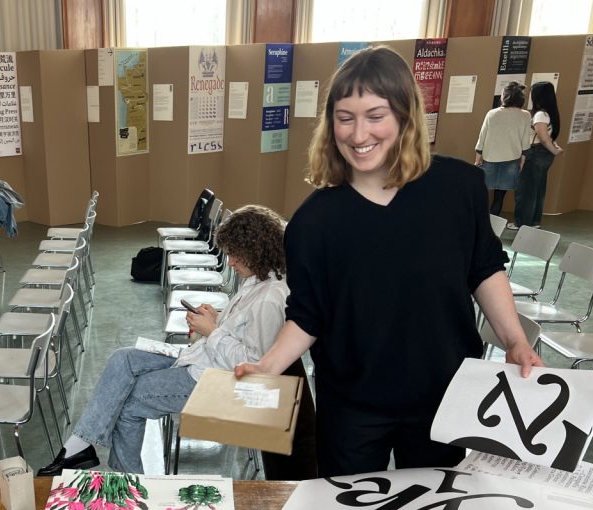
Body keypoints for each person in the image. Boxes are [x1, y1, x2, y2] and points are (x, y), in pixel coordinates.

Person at [235, 46, 542, 479]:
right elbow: (308, 314)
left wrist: (514, 341)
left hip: (445, 392)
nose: (359, 133)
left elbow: (484, 268)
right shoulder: (314, 221)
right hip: (352, 405)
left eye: (375, 116)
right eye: (345, 118)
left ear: (404, 115)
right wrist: (266, 367)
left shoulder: (459, 188)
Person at [37, 205, 291, 476]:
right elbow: (242, 332)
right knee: (123, 358)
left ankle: (129, 481)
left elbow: (255, 366)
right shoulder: (256, 278)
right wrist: (216, 321)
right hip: (204, 358)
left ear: (256, 250)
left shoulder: (269, 297)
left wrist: (212, 332)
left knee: (129, 403)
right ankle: (79, 446)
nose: (230, 262)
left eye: (235, 255)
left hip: (220, 381)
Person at [512, 81, 564, 229]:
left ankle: (522, 223)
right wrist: (554, 149)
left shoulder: (540, 115)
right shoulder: (550, 113)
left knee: (526, 190)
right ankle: (534, 221)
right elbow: (549, 136)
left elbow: (543, 137)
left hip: (535, 153)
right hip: (544, 155)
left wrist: (554, 150)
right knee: (538, 189)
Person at [474, 81, 530, 217]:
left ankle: (480, 222)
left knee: (482, 192)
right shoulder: (525, 115)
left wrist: (477, 159)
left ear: (504, 96)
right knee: (499, 197)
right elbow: (525, 142)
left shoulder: (492, 113)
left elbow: (482, 137)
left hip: (490, 158)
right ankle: (494, 224)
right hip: (512, 159)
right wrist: (522, 161)